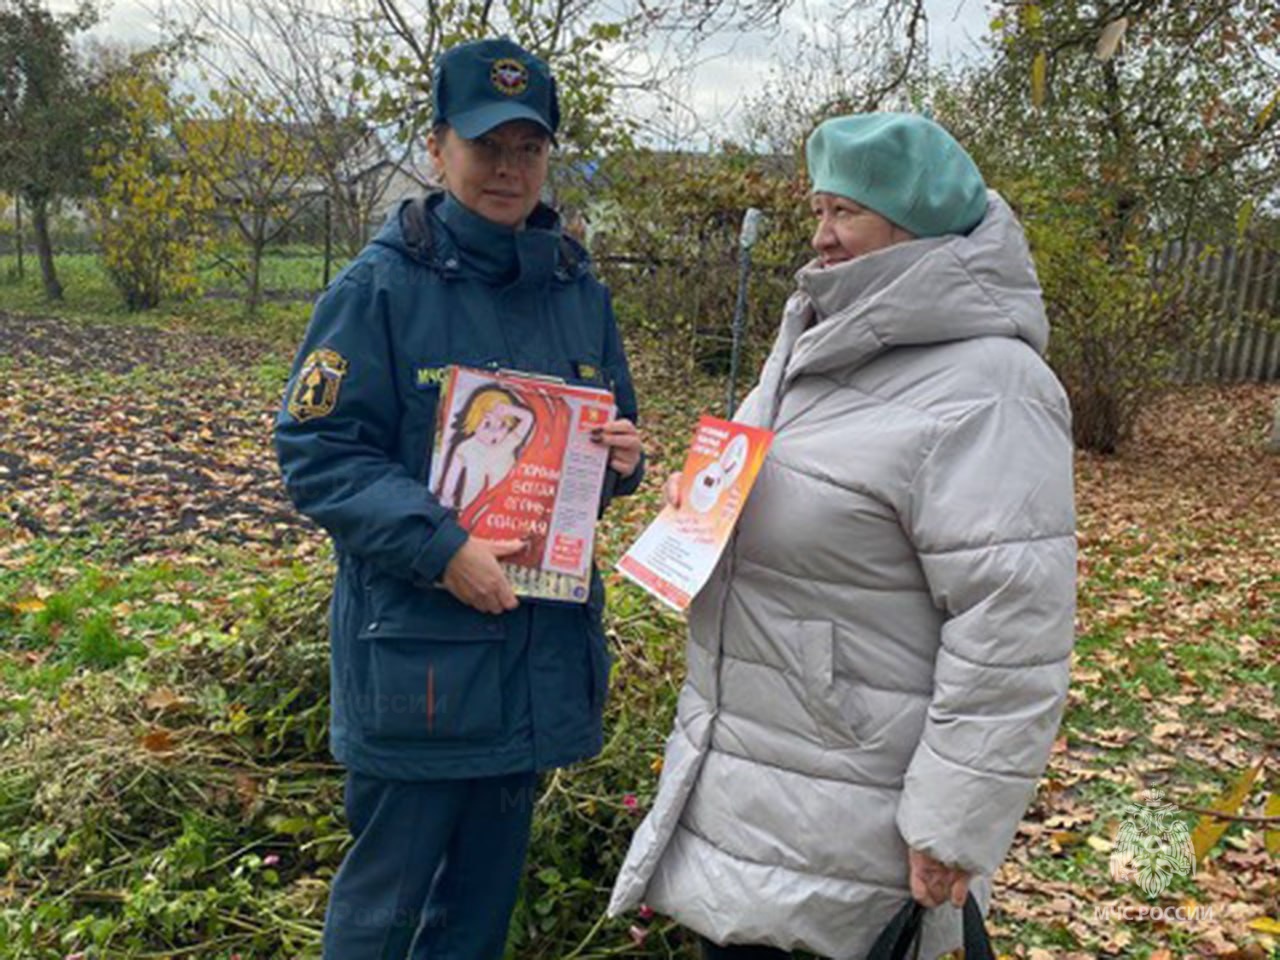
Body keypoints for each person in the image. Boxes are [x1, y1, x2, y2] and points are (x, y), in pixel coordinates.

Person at [609, 112, 1076, 959]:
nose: (818, 238)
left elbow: (1013, 627)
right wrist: (702, 502)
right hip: (754, 782)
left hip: (856, 816)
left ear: (916, 224)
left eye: (842, 214)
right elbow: (785, 497)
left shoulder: (992, 388)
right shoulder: (813, 337)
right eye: (816, 211)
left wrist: (952, 824)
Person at [274, 37, 643, 960]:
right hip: (421, 672)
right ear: (438, 149)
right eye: (486, 147)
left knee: (476, 922)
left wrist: (622, 459)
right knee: (380, 921)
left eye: (529, 147)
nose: (509, 169)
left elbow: (609, 439)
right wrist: (439, 546)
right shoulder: (379, 289)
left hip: (531, 658)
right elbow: (317, 449)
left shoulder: (576, 289)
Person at [436, 385, 536, 511]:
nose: (494, 433)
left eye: (502, 425)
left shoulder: (507, 443)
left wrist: (509, 410)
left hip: (504, 511)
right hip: (472, 511)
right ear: (474, 421)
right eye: (487, 424)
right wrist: (447, 499)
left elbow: (528, 418)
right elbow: (450, 480)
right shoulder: (466, 447)